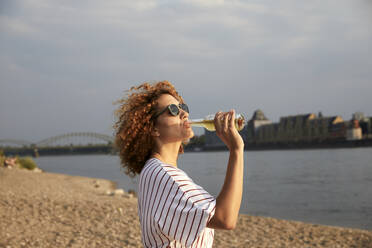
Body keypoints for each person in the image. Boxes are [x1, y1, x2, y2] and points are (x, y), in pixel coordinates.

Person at [113, 81, 244, 248]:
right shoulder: (166, 176)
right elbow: (225, 218)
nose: (183, 113)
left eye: (183, 107)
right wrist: (236, 150)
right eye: (173, 110)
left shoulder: (152, 171)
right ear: (153, 129)